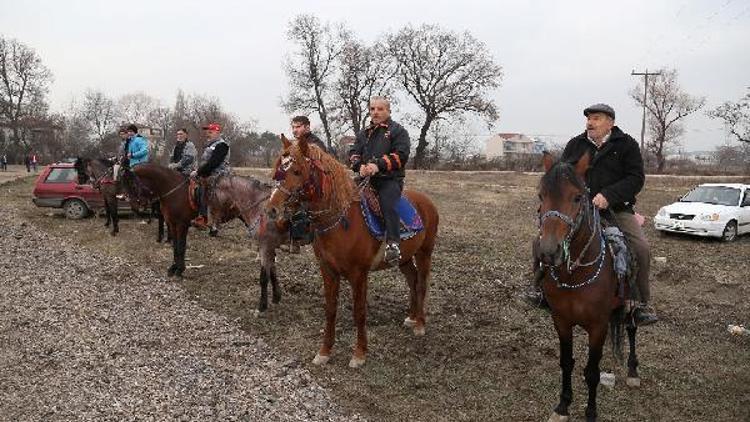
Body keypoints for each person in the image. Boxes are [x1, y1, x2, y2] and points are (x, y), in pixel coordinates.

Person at [551, 103, 657, 325]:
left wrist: (608, 195)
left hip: (616, 209)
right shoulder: (575, 144)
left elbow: (636, 178)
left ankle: (638, 304)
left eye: (596, 118)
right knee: (547, 238)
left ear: (611, 122)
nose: (590, 122)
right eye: (589, 118)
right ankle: (541, 290)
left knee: (640, 248)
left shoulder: (626, 144)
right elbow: (562, 174)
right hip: (579, 208)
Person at [348, 96, 410, 265]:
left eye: (380, 109)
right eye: (372, 109)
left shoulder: (398, 131)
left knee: (388, 203)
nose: (375, 112)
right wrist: (358, 165)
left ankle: (393, 244)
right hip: (365, 179)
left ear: (388, 111)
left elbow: (401, 155)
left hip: (388, 179)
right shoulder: (364, 133)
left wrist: (378, 165)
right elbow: (354, 152)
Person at [190, 122, 231, 229]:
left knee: (203, 188)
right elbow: (205, 162)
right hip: (209, 173)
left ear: (217, 132)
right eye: (207, 132)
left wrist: (198, 172)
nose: (208, 134)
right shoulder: (210, 145)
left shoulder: (222, 145)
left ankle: (204, 218)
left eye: (210, 131)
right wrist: (198, 170)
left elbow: (214, 163)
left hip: (219, 175)